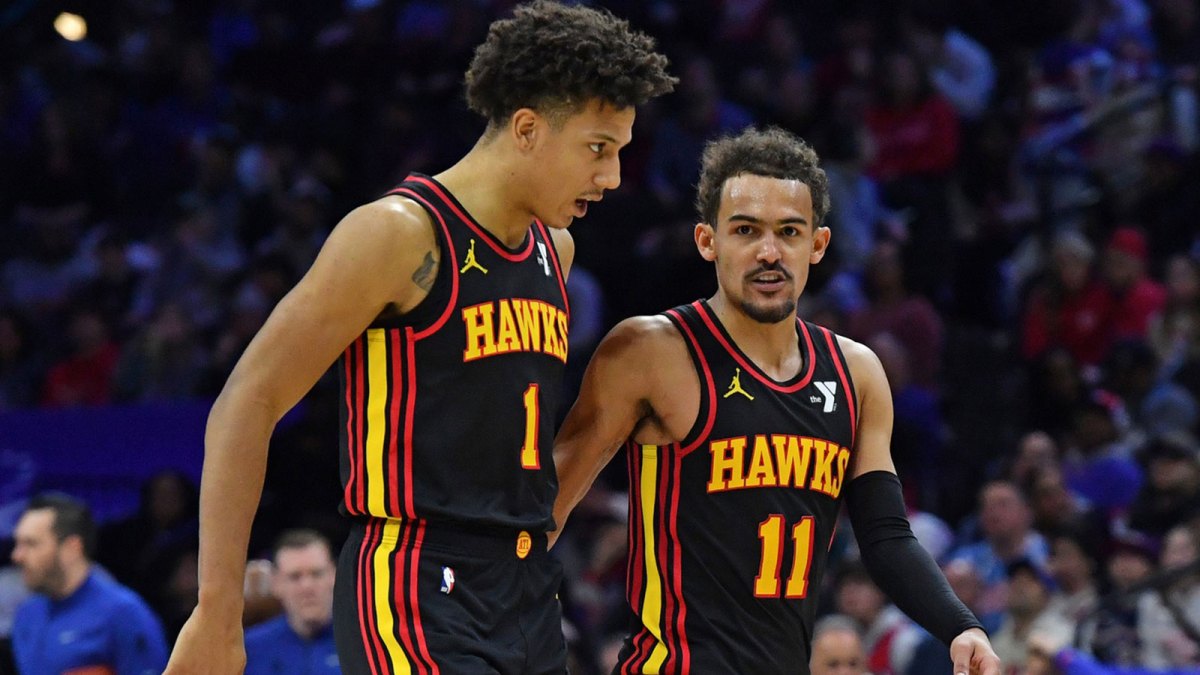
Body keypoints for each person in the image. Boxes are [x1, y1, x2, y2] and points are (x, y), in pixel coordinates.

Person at [164, 2, 676, 673]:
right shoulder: (400, 234)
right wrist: (217, 610)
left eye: (619, 153)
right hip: (414, 583)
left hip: (522, 587)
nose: (610, 178)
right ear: (526, 129)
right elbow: (247, 402)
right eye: (598, 150)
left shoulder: (557, 250)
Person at [550, 127, 998, 674]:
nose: (769, 252)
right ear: (707, 240)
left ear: (817, 245)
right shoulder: (650, 350)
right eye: (746, 230)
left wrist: (961, 625)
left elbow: (885, 536)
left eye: (789, 231)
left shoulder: (856, 372)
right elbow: (550, 503)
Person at [10, 492, 168, 675]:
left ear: (72, 548)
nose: (17, 556)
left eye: (31, 544)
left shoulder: (123, 613)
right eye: (18, 543)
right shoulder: (27, 615)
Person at [244, 530, 340, 675]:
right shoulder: (249, 649)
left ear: (334, 576)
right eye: (294, 577)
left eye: (317, 574)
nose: (307, 587)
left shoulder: (364, 641)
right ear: (276, 584)